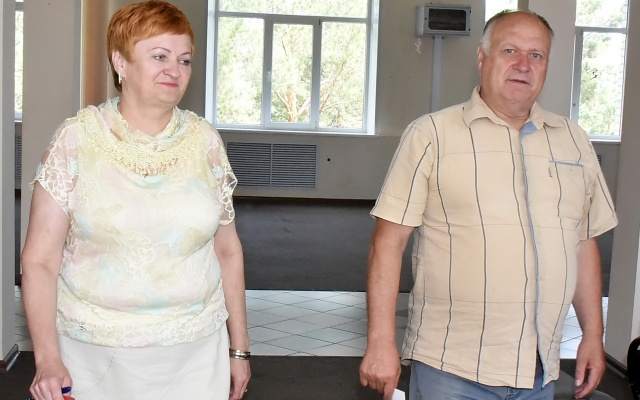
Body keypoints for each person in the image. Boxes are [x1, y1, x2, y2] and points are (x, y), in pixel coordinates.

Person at [359, 9, 618, 400]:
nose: (523, 64)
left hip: (540, 372)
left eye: (536, 55)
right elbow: (388, 243)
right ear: (482, 57)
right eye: (510, 50)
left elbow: (582, 243)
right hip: (452, 370)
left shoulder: (574, 140)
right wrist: (380, 341)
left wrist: (592, 335)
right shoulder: (431, 135)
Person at [20, 1, 251, 399]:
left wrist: (240, 349)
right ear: (120, 62)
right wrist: (47, 357)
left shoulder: (205, 142)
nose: (174, 70)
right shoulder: (75, 141)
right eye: (159, 56)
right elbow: (39, 260)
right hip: (93, 356)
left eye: (184, 60)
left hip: (197, 352)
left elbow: (227, 251)